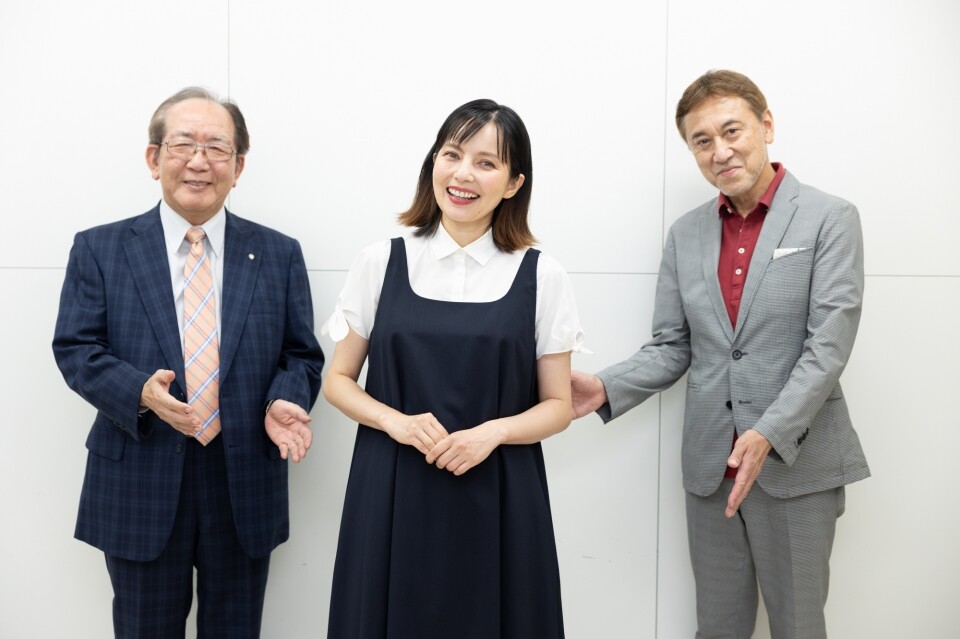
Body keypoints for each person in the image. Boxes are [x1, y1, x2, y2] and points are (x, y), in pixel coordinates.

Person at [571, 70, 870, 638]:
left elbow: (829, 345)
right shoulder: (685, 234)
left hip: (795, 462)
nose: (720, 151)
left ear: (766, 125)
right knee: (717, 629)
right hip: (713, 467)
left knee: (798, 627)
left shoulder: (830, 217)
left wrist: (768, 432)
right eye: (701, 141)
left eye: (732, 131)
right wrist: (607, 386)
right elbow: (672, 345)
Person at [52, 87, 324, 639]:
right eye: (183, 144)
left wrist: (284, 399)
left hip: (243, 477)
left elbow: (301, 354)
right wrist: (138, 392)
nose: (199, 161)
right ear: (154, 158)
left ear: (238, 167)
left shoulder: (279, 253)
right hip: (140, 473)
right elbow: (76, 347)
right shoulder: (100, 248)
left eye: (217, 148)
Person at [323, 99, 583, 639]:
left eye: (487, 163)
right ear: (433, 163)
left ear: (513, 183)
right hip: (391, 484)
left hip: (501, 491)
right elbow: (338, 381)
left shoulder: (543, 275)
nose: (464, 174)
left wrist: (493, 433)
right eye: (452, 154)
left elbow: (559, 406)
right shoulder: (380, 260)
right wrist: (396, 422)